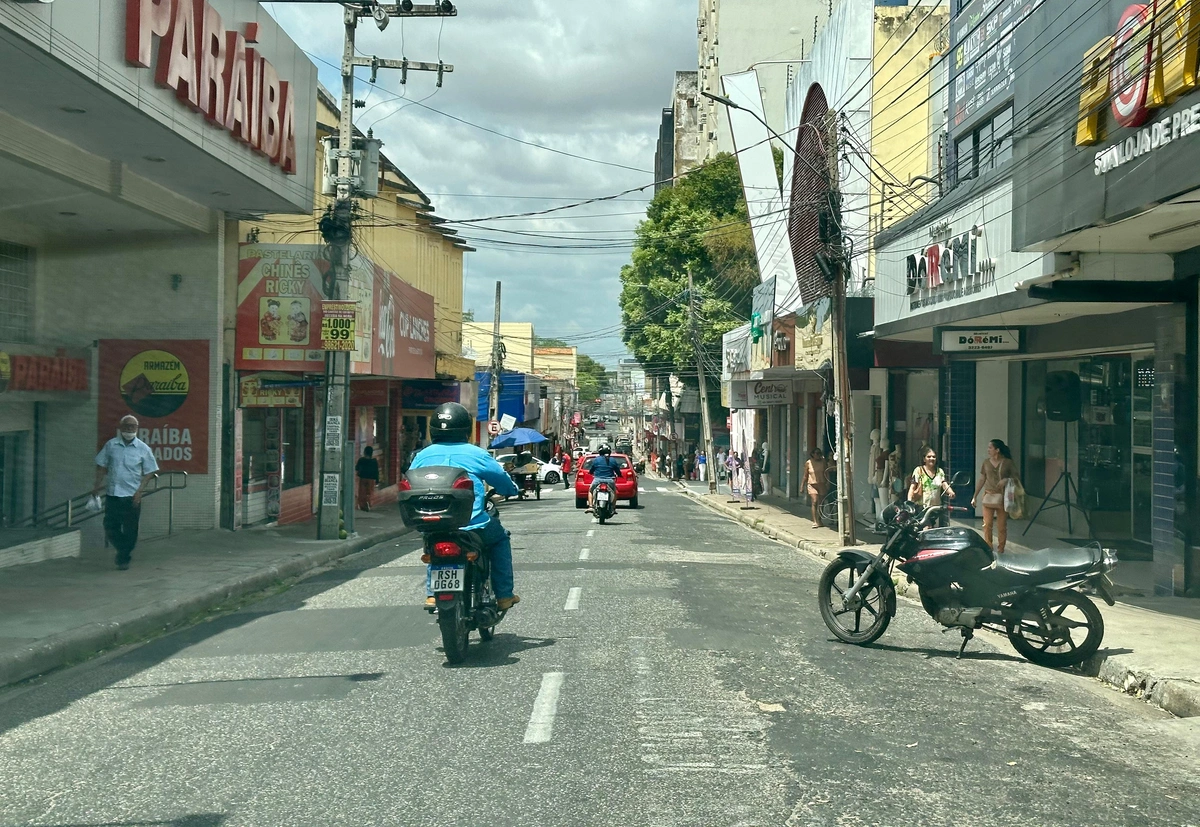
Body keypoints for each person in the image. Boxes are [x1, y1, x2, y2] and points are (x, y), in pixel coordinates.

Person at [410, 403, 521, 611]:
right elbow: (501, 480)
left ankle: (433, 594)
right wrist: (512, 489)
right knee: (500, 539)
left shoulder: (422, 456)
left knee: (434, 542)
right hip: (474, 524)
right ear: (465, 429)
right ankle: (504, 595)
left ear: (433, 429)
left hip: (432, 522)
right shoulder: (476, 454)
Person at [93, 415, 159, 570]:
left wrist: (140, 491)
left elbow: (150, 471)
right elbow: (101, 465)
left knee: (131, 530)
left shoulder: (143, 449)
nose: (130, 429)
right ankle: (123, 551)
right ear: (121, 427)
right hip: (113, 494)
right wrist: (96, 485)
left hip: (131, 495)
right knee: (110, 527)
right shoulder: (111, 445)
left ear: (137, 429)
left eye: (133, 426)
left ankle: (123, 558)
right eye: (127, 426)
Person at [972, 438, 1017, 555]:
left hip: (1002, 498)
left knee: (1001, 526)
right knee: (987, 525)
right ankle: (988, 547)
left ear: (997, 450)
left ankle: (1001, 549)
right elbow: (982, 479)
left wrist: (1006, 480)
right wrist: (975, 496)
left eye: (990, 448)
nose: (988, 450)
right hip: (988, 496)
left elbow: (1016, 478)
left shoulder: (1008, 462)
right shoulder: (986, 462)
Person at [908, 447, 955, 525]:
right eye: (929, 456)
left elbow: (944, 483)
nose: (932, 458)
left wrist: (951, 492)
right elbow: (912, 487)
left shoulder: (940, 471)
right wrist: (909, 502)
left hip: (935, 508)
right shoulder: (919, 471)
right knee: (925, 528)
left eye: (934, 456)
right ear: (924, 459)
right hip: (922, 508)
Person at [587, 444, 622, 514]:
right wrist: (619, 475)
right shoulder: (612, 460)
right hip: (609, 480)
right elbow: (617, 470)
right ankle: (613, 507)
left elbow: (592, 469)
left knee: (590, 491)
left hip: (597, 480)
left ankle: (591, 506)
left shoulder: (596, 459)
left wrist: (590, 472)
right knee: (615, 492)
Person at [800, 448, 827, 528]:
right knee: (814, 501)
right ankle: (814, 521)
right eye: (816, 453)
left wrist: (828, 482)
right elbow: (805, 475)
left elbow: (826, 472)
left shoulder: (823, 462)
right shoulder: (808, 463)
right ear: (813, 454)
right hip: (812, 484)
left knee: (821, 503)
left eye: (819, 453)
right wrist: (802, 486)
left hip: (821, 484)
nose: (818, 455)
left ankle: (819, 519)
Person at [355, 446, 379, 511]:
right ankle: (369, 503)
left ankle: (362, 505)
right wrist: (377, 480)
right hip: (371, 479)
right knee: (370, 492)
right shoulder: (374, 461)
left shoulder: (361, 460)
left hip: (363, 478)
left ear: (365, 452)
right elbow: (376, 471)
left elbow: (356, 468)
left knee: (362, 492)